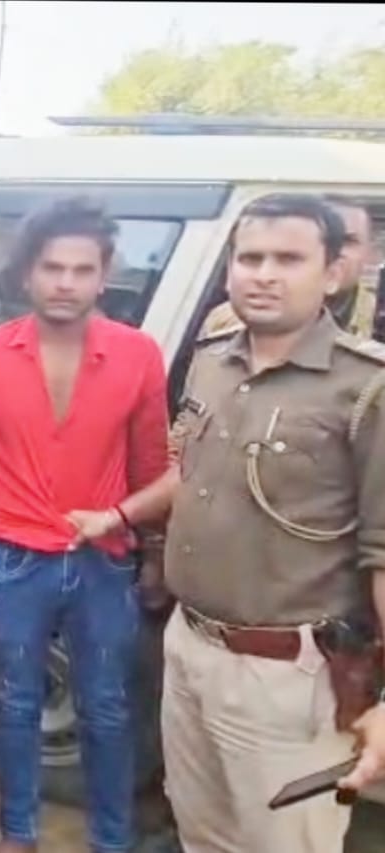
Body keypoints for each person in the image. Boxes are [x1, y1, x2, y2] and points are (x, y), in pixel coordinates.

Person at [0, 197, 178, 853]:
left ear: (104, 276)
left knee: (107, 706)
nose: (66, 283)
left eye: (82, 269)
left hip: (104, 558)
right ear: (28, 274)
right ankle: (18, 832)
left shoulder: (137, 354)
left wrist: (152, 553)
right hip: (11, 557)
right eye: (52, 268)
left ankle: (111, 838)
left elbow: (151, 465)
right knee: (14, 703)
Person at [162, 193, 385, 853]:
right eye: (250, 257)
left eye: (288, 259)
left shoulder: (366, 389)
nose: (263, 274)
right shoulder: (212, 360)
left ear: (334, 273)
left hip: (290, 678)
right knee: (202, 833)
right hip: (189, 647)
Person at [198, 195, 377, 338]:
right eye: (323, 241)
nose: (335, 252)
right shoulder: (224, 321)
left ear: (369, 252)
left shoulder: (378, 319)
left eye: (348, 241)